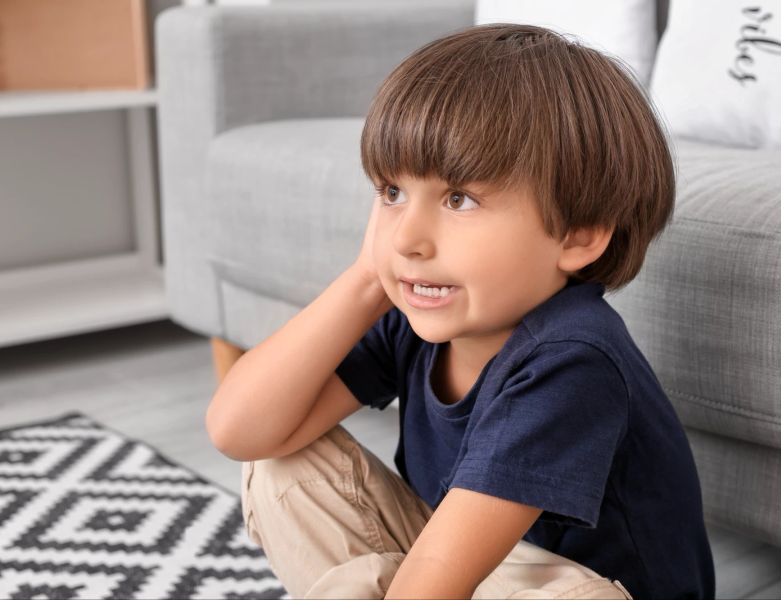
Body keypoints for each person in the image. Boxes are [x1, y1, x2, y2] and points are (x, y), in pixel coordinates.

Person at [207, 22, 716, 600]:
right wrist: (367, 278)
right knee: (281, 460)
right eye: (391, 193)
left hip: (578, 590)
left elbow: (432, 584)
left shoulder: (572, 359)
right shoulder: (419, 317)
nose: (408, 239)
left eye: (459, 199)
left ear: (578, 236)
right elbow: (238, 430)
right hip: (465, 573)